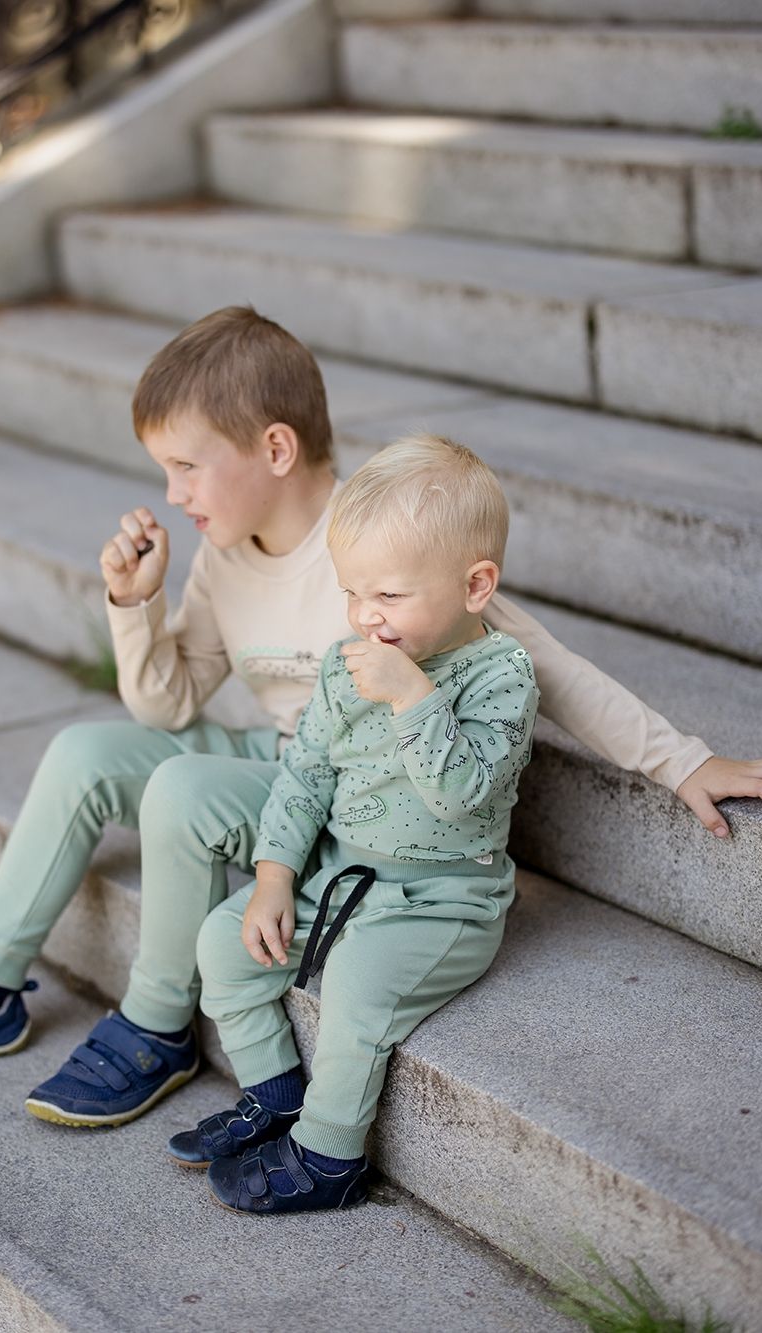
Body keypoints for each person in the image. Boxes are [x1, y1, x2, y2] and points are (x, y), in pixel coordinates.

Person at [0, 308, 762, 1124]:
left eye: (187, 466)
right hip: (277, 753)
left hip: (354, 786)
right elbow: (168, 701)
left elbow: (549, 666)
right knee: (84, 749)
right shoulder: (226, 554)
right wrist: (136, 604)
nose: (172, 494)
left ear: (275, 448)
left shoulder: (385, 541)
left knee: (182, 785)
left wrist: (683, 761)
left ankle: (158, 1025)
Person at [169, 435, 537, 1214]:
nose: (366, 616)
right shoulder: (346, 661)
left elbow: (463, 793)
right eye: (351, 593)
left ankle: (329, 1154)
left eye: (390, 596)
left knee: (359, 981)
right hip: (341, 875)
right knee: (223, 943)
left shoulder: (502, 676)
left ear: (475, 585)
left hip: (444, 898)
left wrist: (412, 697)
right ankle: (276, 1095)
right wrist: (275, 877)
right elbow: (305, 773)